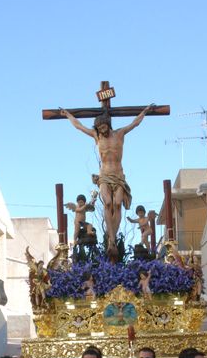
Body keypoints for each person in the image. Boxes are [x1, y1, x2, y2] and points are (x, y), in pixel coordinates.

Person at [60, 104, 154, 254]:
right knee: (108, 203)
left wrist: (145, 111)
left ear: (108, 125)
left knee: (117, 204)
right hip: (104, 175)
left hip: (118, 176)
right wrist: (67, 115)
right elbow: (79, 126)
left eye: (103, 127)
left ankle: (112, 238)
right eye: (99, 128)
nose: (101, 130)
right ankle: (111, 240)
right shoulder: (96, 136)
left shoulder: (120, 134)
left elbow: (135, 123)